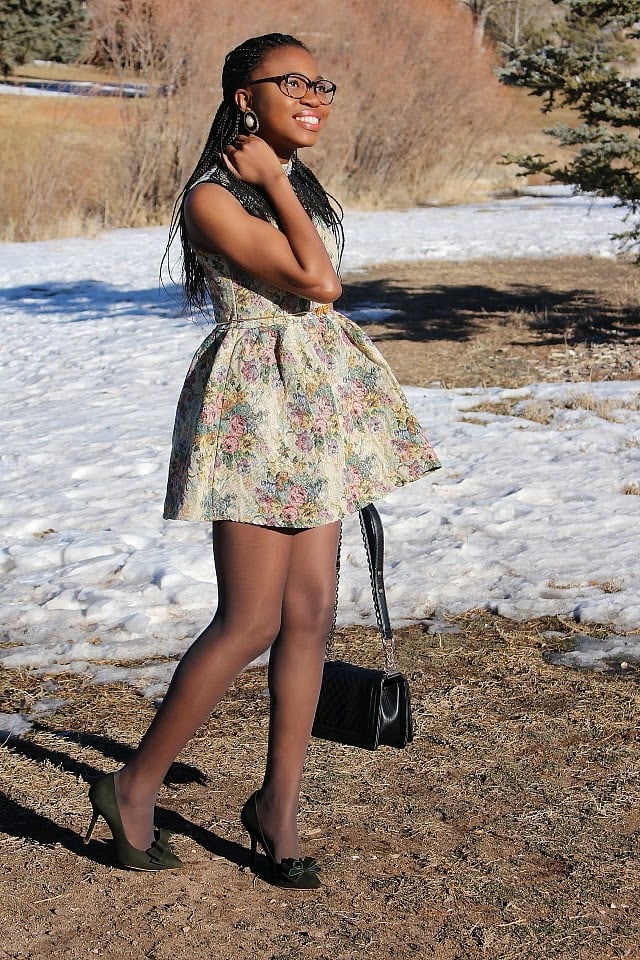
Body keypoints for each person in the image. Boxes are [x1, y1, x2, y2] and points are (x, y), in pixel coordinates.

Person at [84, 32, 441, 888]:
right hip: (252, 409)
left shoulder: (284, 182)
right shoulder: (215, 196)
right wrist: (277, 184)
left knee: (312, 615)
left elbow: (314, 287)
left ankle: (276, 807)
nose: (313, 94)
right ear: (245, 96)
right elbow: (319, 285)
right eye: (292, 81)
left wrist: (283, 183)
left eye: (320, 81)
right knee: (251, 619)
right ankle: (132, 786)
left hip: (310, 405)